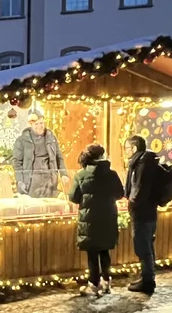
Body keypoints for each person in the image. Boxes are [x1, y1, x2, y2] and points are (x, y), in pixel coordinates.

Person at [69, 144, 124, 296]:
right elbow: (120, 193)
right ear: (102, 155)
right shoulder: (112, 174)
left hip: (89, 218)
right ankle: (106, 283)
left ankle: (93, 285)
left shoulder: (81, 174)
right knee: (104, 250)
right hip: (108, 217)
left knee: (92, 253)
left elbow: (73, 196)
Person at [123, 135, 160, 295]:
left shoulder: (142, 164)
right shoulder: (145, 162)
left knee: (143, 247)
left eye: (127, 148)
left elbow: (139, 187)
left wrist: (132, 202)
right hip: (148, 211)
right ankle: (146, 278)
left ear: (135, 148)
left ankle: (148, 281)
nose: (125, 151)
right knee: (146, 246)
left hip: (142, 212)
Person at [11, 109, 69, 198]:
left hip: (50, 181)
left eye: (41, 123)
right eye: (36, 124)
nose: (39, 126)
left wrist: (63, 174)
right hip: (31, 182)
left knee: (49, 207)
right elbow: (17, 162)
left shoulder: (51, 138)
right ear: (30, 125)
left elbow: (59, 157)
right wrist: (20, 180)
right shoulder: (22, 140)